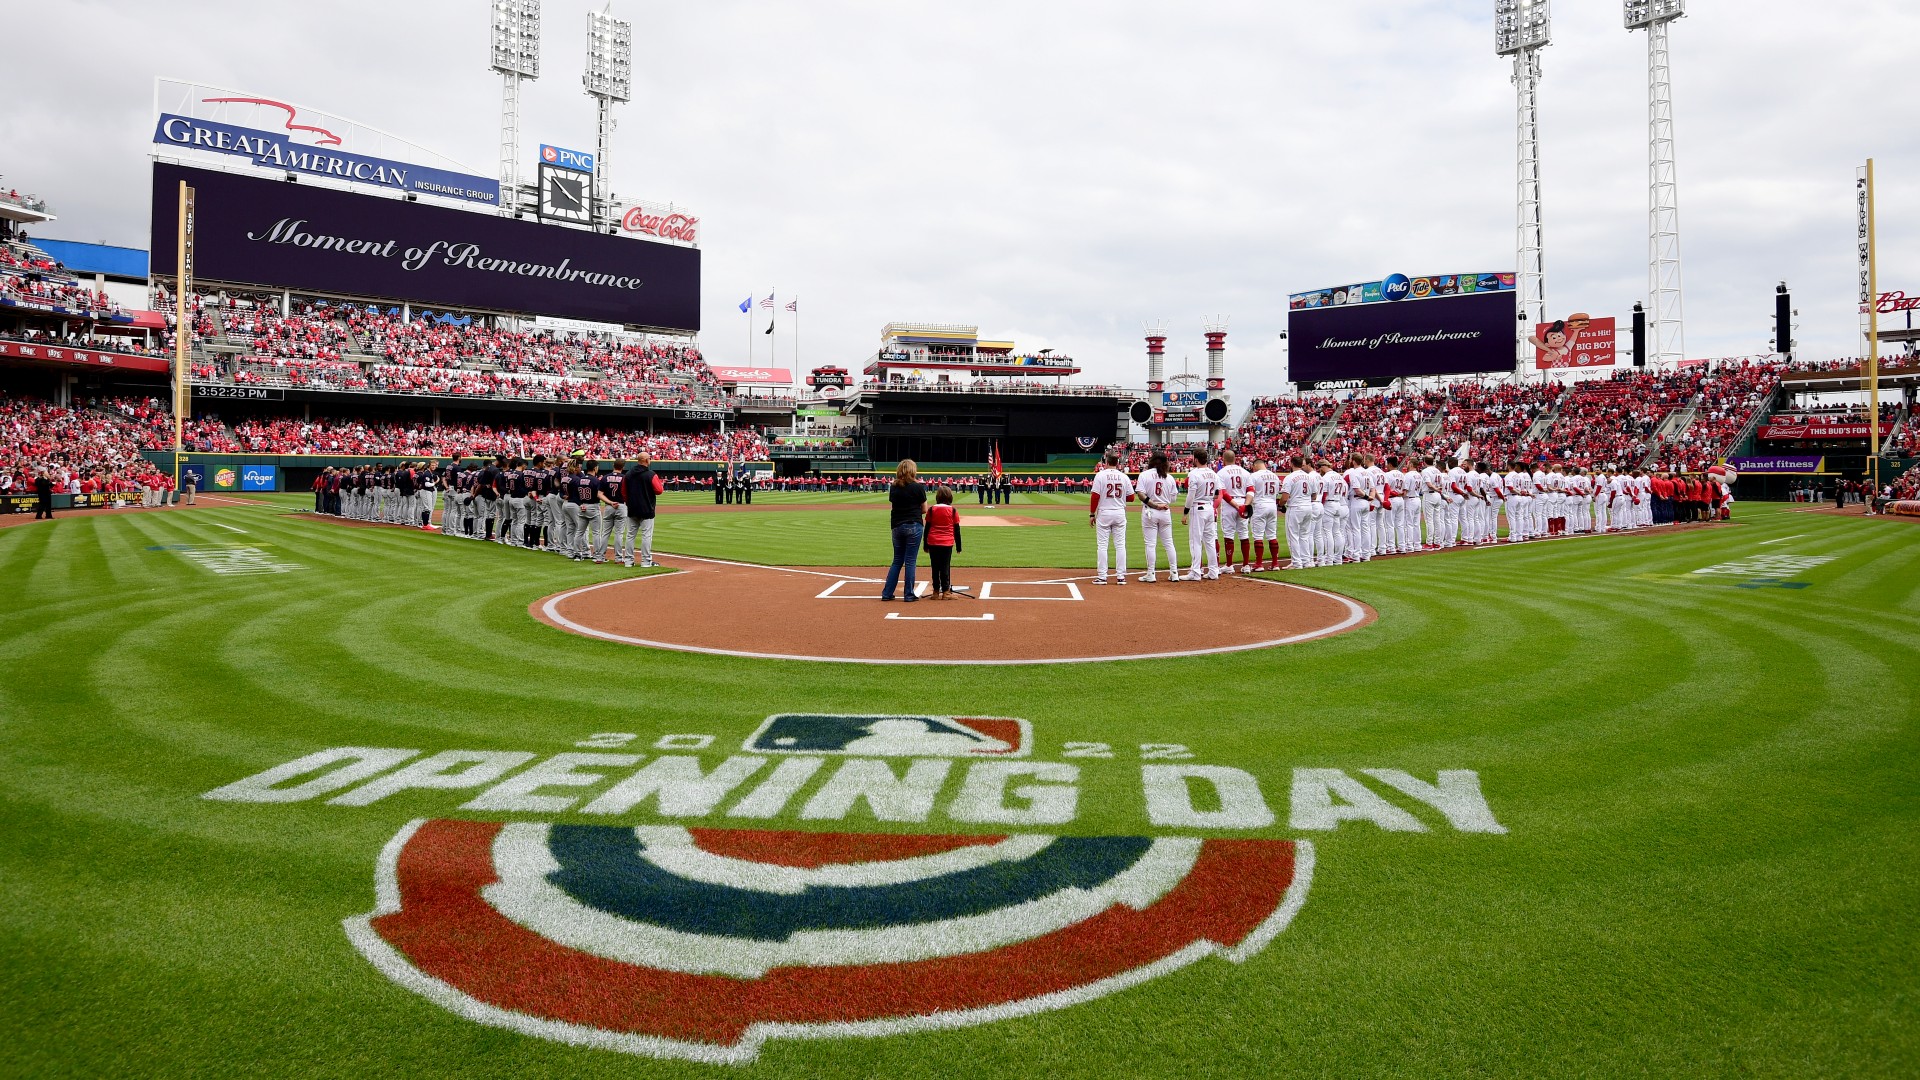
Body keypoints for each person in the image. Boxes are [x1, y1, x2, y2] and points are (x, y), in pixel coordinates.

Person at [882, 460, 927, 602]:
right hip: (913, 524)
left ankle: (887, 593)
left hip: (896, 525)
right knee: (910, 561)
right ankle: (908, 594)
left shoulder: (894, 487)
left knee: (897, 560)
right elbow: (924, 509)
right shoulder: (917, 487)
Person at [1089, 449, 1134, 585]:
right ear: (1118, 462)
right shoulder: (1124, 476)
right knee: (1120, 545)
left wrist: (1092, 514)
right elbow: (1131, 498)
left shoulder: (1100, 476)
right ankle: (1121, 576)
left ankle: (1102, 576)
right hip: (1119, 512)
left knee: (1102, 545)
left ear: (1106, 462)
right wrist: (1119, 497)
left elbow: (1095, 496)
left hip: (1104, 512)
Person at [1135, 450, 1180, 582]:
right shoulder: (1169, 477)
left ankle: (1151, 573)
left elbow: (1141, 495)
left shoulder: (1144, 475)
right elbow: (1173, 499)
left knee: (1150, 544)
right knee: (1169, 543)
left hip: (1150, 510)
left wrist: (1154, 504)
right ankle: (1174, 572)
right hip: (1165, 511)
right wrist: (1162, 503)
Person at [1183, 447, 1221, 580]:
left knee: (1195, 541)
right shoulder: (1214, 473)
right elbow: (1216, 495)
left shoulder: (1194, 473)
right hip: (1210, 507)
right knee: (1210, 541)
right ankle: (1213, 571)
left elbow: (1190, 495)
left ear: (1196, 459)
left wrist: (1185, 512)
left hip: (1198, 507)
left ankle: (1195, 572)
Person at [621, 453, 666, 568]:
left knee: (630, 535)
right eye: (649, 458)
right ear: (646, 460)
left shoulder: (628, 474)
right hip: (646, 509)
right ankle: (646, 561)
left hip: (632, 508)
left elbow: (624, 492)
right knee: (646, 535)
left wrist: (629, 502)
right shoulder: (650, 474)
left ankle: (628, 561)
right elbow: (659, 490)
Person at [924, 486, 962, 598]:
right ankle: (945, 591)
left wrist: (925, 544)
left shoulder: (931, 509)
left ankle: (936, 591)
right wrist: (959, 546)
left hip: (933, 541)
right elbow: (957, 529)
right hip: (947, 542)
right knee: (945, 566)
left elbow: (927, 529)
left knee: (935, 567)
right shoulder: (953, 510)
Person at [1245, 456, 1281, 570]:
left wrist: (1246, 505)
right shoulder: (1274, 476)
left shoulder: (1254, 475)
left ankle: (1259, 564)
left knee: (1258, 536)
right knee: (1272, 535)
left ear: (1255, 465)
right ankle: (1275, 564)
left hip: (1260, 505)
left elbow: (1251, 492)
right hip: (1272, 504)